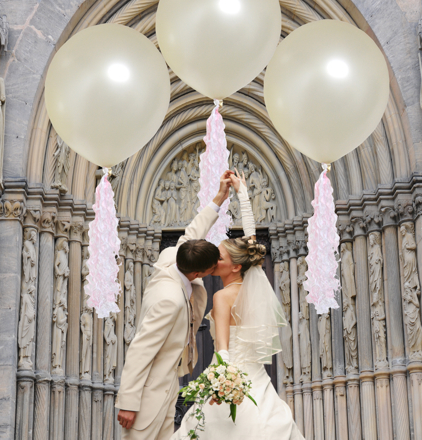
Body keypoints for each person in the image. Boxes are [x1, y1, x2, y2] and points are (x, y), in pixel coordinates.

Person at [172, 169, 304, 440]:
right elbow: (251, 238)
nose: (214, 260)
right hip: (256, 379)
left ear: (234, 266)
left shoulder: (222, 297)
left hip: (231, 380)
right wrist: (242, 193)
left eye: (219, 257)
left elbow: (222, 351)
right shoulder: (251, 283)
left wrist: (222, 385)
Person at [116, 171, 233, 440]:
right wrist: (129, 403)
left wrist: (218, 198)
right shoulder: (168, 300)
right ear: (199, 274)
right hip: (151, 391)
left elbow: (192, 233)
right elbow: (141, 349)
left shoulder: (173, 256)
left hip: (171, 379)